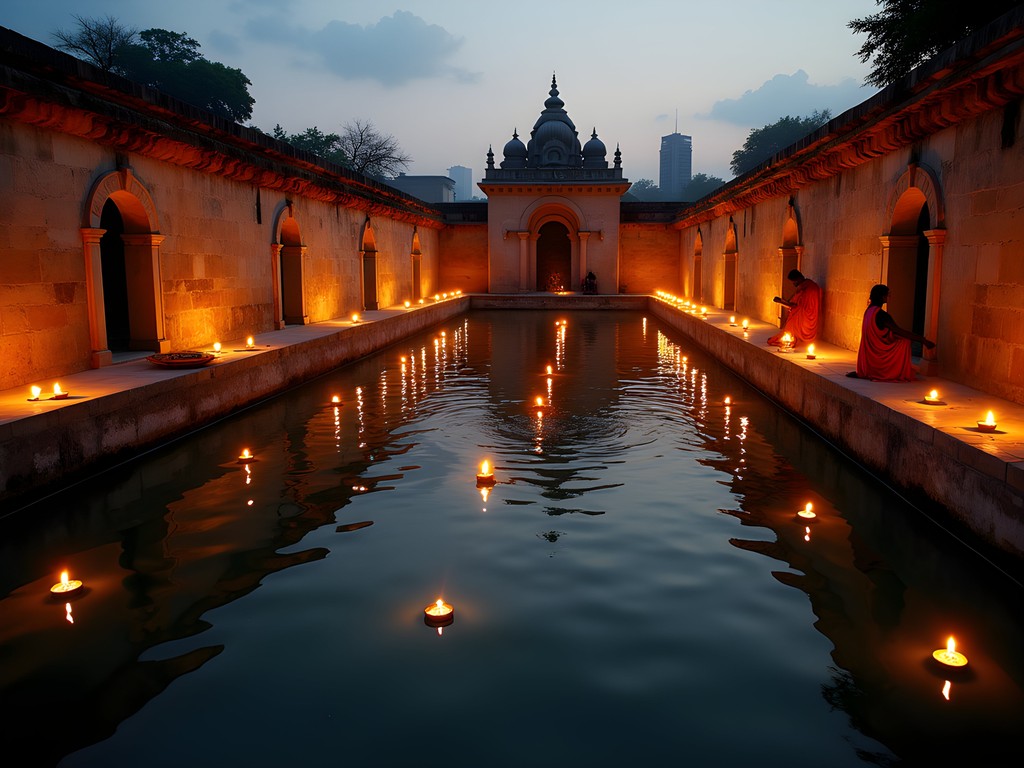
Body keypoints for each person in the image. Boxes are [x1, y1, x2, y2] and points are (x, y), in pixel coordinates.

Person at [849, 284, 935, 381]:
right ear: (882, 297)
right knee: (904, 341)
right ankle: (893, 371)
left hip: (869, 360)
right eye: (887, 295)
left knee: (899, 337)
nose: (889, 297)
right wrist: (923, 341)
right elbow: (900, 331)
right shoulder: (881, 315)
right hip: (878, 357)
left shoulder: (868, 311)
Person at [767, 269, 821, 347]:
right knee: (793, 314)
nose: (793, 284)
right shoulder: (810, 284)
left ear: (799, 278)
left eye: (794, 282)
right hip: (810, 316)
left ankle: (794, 337)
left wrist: (780, 302)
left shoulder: (804, 288)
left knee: (792, 319)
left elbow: (796, 306)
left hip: (805, 317)